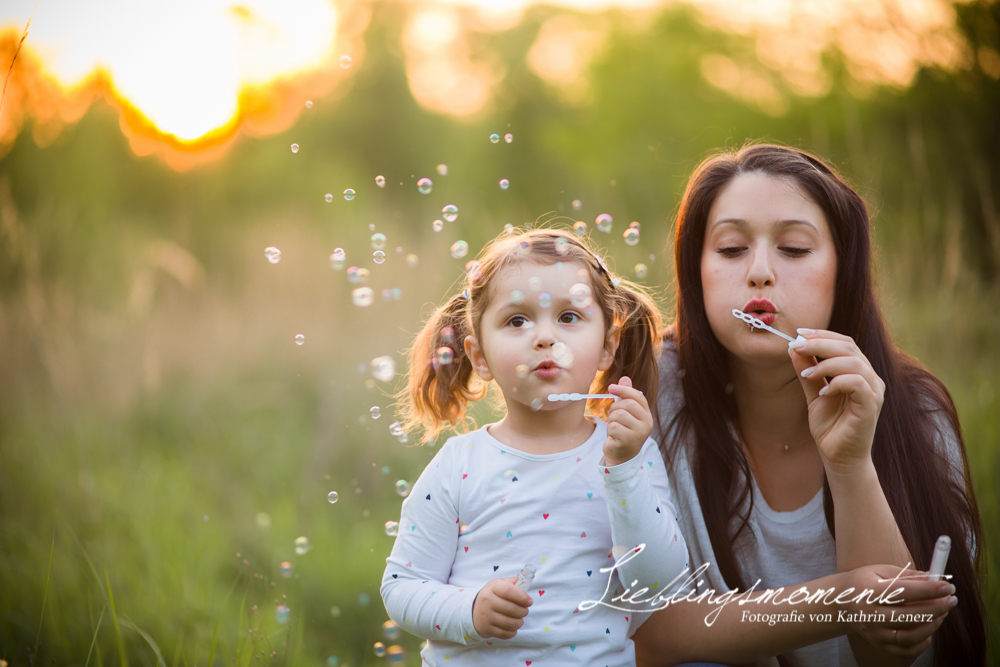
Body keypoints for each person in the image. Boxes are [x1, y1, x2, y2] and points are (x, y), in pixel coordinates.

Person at [632, 144, 985, 666]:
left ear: (843, 271)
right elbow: (640, 634)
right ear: (695, 271)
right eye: (730, 249)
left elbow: (890, 656)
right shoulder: (652, 393)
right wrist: (838, 601)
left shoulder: (917, 414)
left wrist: (850, 464)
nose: (759, 272)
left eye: (794, 249)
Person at [380, 228, 690, 665]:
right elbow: (401, 587)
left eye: (568, 317)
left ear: (607, 346)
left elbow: (659, 583)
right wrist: (467, 611)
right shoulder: (460, 464)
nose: (544, 337)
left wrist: (623, 467)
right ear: (479, 356)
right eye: (517, 320)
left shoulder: (629, 453)